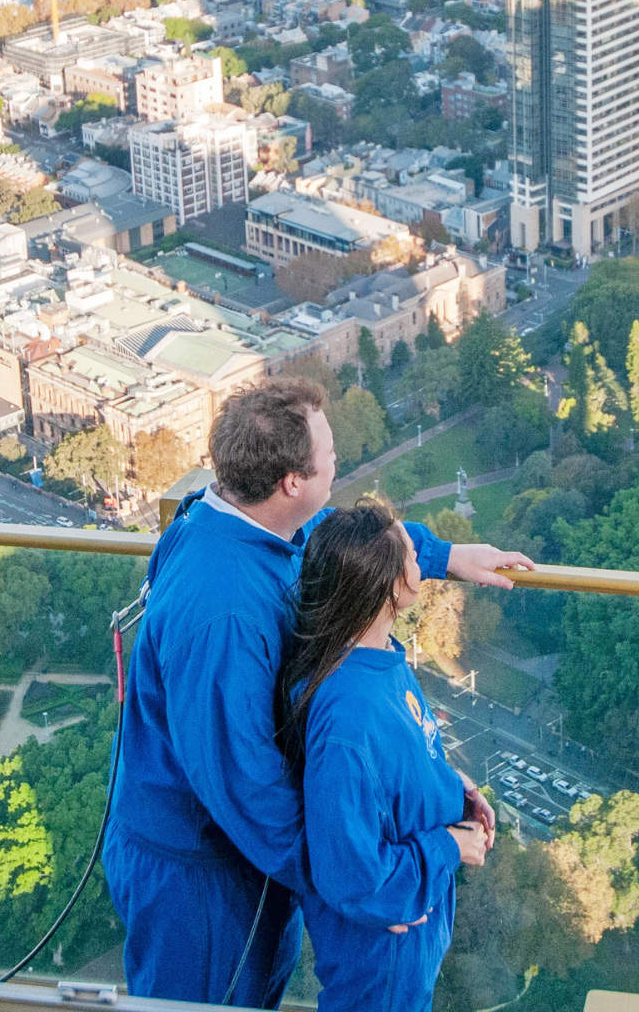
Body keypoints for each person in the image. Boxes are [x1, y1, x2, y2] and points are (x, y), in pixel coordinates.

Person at [102, 378, 534, 1007]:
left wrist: (438, 554)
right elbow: (249, 788)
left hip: (235, 855)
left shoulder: (239, 517)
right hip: (200, 876)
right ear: (291, 482)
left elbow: (330, 539)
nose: (339, 461)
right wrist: (368, 890)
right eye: (329, 454)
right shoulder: (225, 615)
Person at [281, 498, 488, 1012]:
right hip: (381, 958)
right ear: (394, 586)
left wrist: (450, 790)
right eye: (412, 553)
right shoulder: (347, 719)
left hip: (405, 939)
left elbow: (397, 763)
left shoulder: (379, 660)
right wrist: (448, 848)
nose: (422, 557)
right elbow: (353, 876)